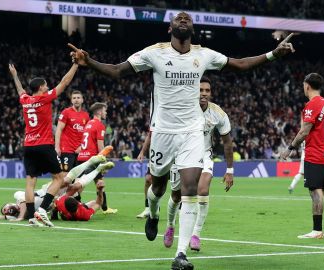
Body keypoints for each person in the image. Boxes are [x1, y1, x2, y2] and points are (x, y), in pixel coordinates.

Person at [69, 11, 295, 269]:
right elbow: (118, 71)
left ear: (193, 28)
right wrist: (90, 61)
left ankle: (180, 254)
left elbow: (240, 64)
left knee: (189, 189)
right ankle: (153, 213)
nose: (184, 19)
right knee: (158, 188)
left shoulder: (203, 54)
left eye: (187, 18)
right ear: (170, 28)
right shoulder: (155, 53)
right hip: (163, 133)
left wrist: (273, 54)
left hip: (191, 133)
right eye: (179, 18)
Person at [163, 76, 234, 251]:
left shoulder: (218, 113)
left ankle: (196, 234)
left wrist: (230, 170)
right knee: (176, 195)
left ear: (211, 93)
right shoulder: (183, 108)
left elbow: (227, 143)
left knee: (202, 190)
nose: (203, 94)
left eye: (207, 90)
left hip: (204, 154)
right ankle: (170, 225)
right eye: (200, 90)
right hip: (181, 154)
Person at [9, 62, 78, 227]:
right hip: (45, 144)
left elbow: (20, 90)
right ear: (40, 87)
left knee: (30, 181)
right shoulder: (45, 98)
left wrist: (15, 75)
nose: (48, 87)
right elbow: (64, 82)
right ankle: (42, 210)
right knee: (59, 178)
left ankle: (32, 216)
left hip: (29, 146)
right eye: (46, 85)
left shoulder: (26, 100)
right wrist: (75, 65)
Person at [280, 73, 324, 239]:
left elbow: (304, 131)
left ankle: (317, 230)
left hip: (316, 154)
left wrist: (290, 148)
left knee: (315, 191)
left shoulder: (312, 105)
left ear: (307, 86)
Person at [0, 158, 115, 223]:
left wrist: (22, 217)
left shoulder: (19, 197)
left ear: (10, 203)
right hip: (54, 202)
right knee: (76, 187)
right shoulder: (12, 216)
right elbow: (2, 217)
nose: (8, 211)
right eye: (6, 211)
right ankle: (97, 170)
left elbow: (22, 204)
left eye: (6, 208)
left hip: (47, 192)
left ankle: (90, 162)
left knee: (65, 181)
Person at [77, 102, 117, 214]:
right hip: (91, 159)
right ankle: (68, 203)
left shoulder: (89, 123)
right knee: (81, 185)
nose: (106, 112)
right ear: (99, 112)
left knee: (99, 182)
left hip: (82, 157)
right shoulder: (99, 125)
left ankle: (105, 207)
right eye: (104, 110)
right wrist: (103, 161)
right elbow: (100, 146)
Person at [55, 90, 90, 174]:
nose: (76, 100)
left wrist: (82, 147)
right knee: (65, 176)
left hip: (80, 151)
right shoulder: (66, 112)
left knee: (78, 178)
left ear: (82, 100)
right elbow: (58, 129)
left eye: (78, 98)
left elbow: (87, 134)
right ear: (71, 100)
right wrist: (57, 147)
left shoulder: (86, 115)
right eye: (74, 98)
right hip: (66, 149)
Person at [136, 132, 152, 219]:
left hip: (172, 152)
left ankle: (180, 208)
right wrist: (142, 152)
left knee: (176, 184)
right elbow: (150, 135)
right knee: (148, 179)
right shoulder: (155, 118)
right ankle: (148, 208)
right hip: (157, 154)